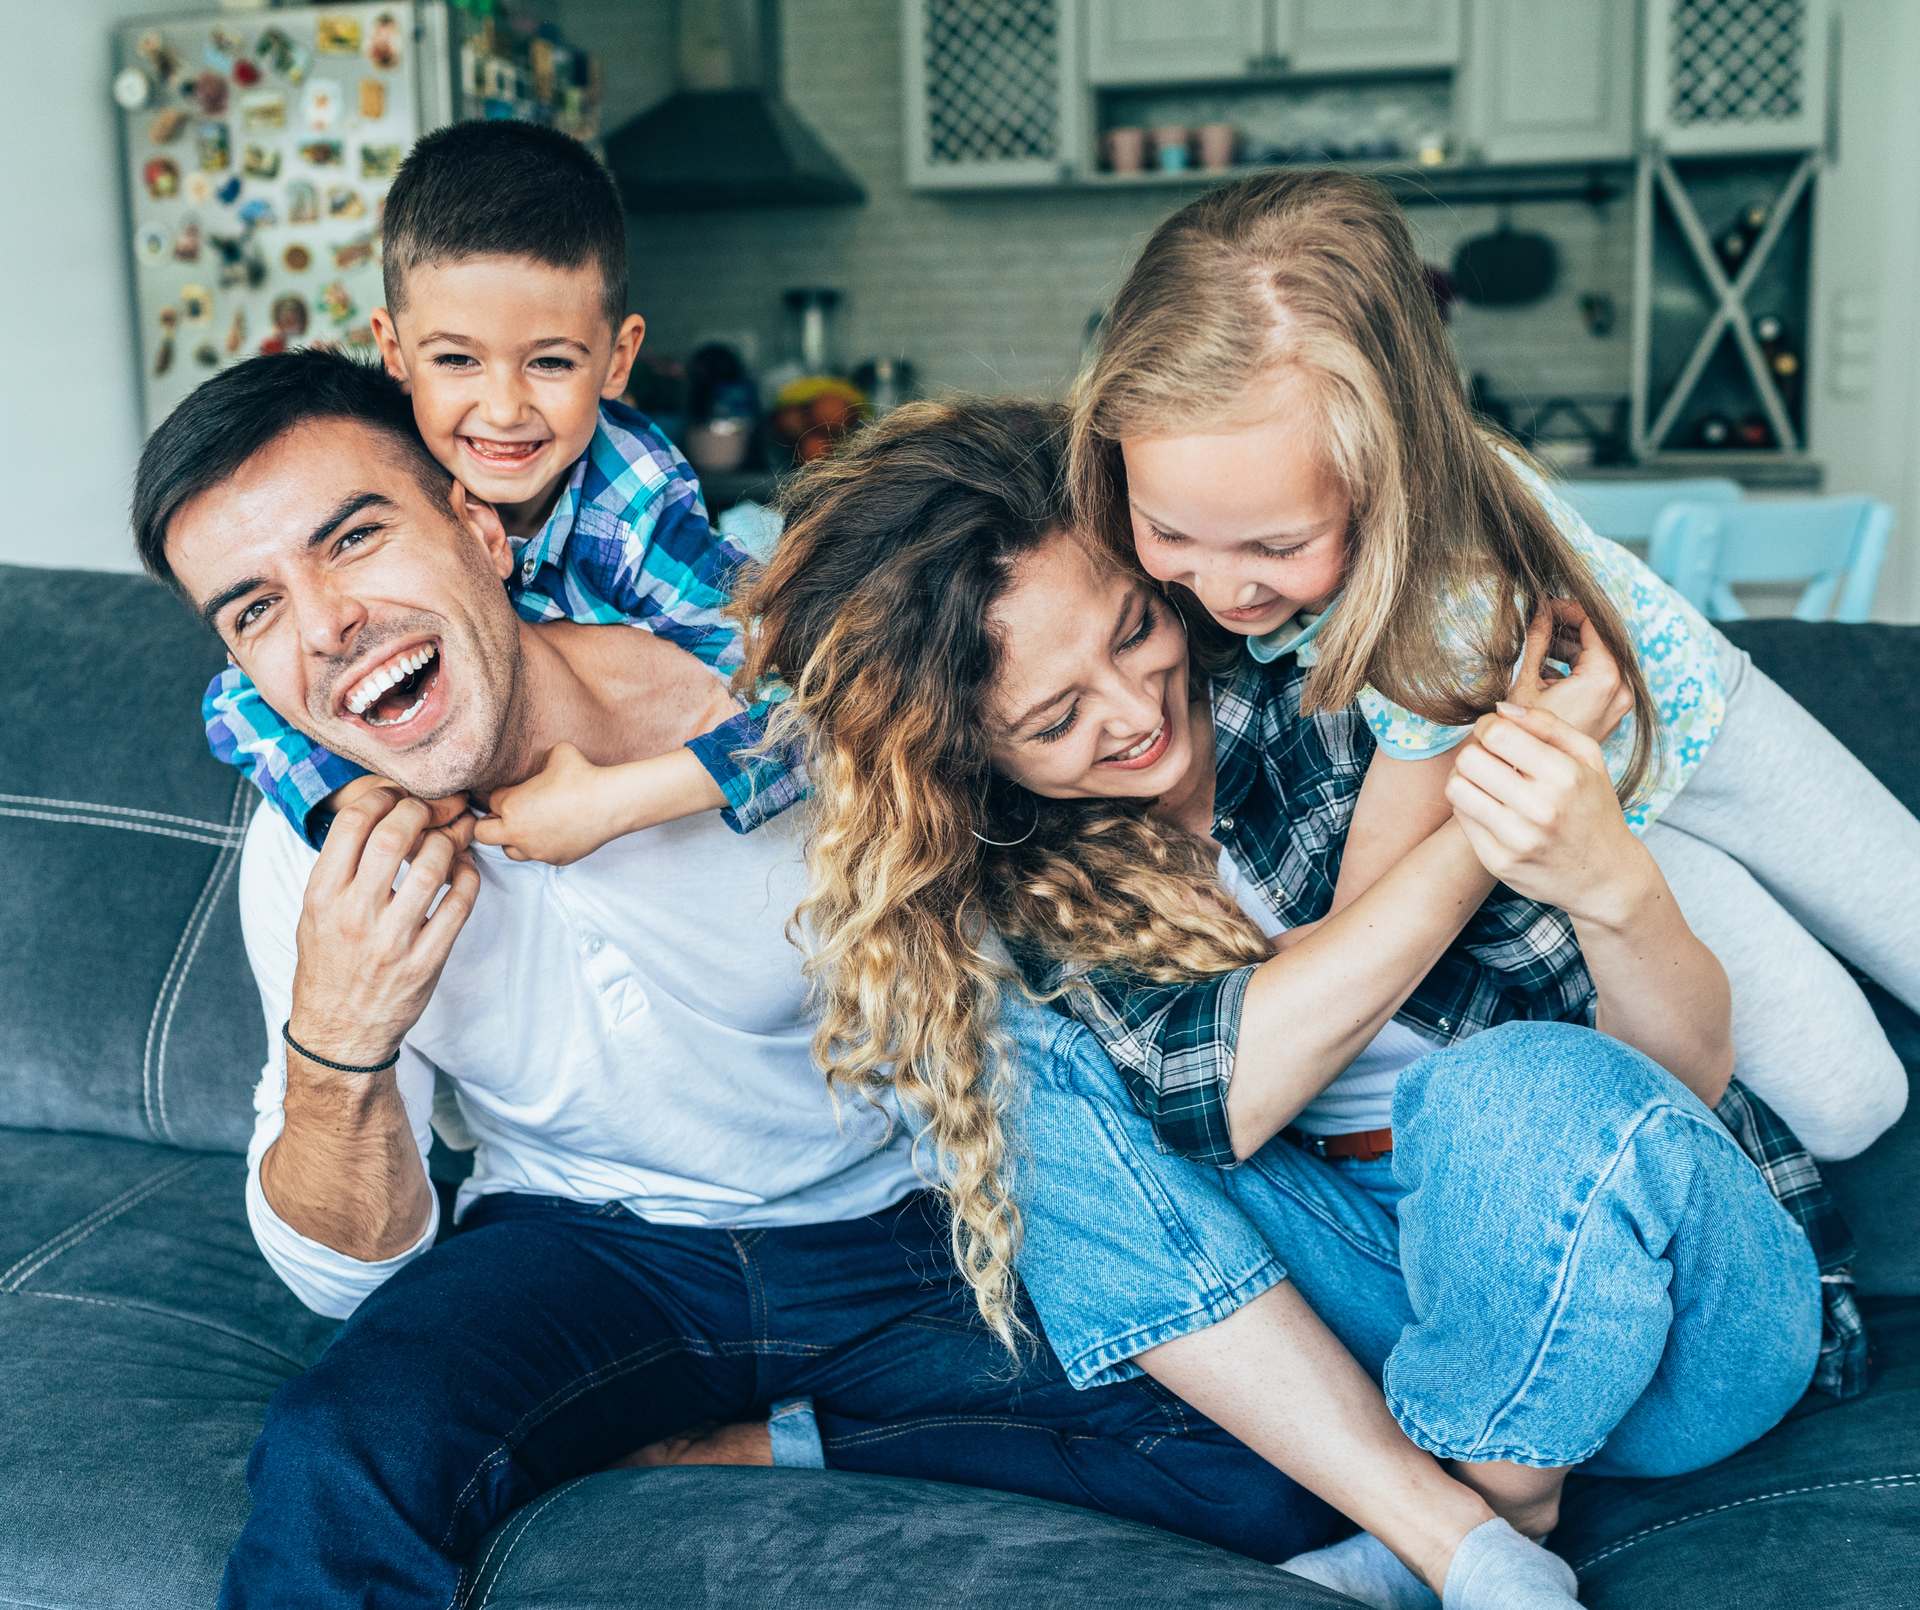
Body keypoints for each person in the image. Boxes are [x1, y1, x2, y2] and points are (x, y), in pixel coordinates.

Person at [133, 351, 1371, 1610]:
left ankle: (776, 1436)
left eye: (352, 540)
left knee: (1277, 1464)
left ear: (477, 526)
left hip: (906, 1224)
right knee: (343, 1447)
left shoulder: (775, 700)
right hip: (586, 1246)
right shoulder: (315, 842)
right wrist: (340, 1038)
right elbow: (342, 1277)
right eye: (255, 609)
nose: (325, 623)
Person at [724, 398, 1848, 1608]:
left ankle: (1489, 1509)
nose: (1133, 707)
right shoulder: (1036, 880)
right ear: (971, 759)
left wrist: (1549, 830)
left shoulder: (1355, 685)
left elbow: (1675, 1080)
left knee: (1502, 1090)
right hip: (1393, 1302)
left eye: (1136, 627)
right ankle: (1449, 1535)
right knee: (1003, 1070)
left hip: (1680, 1314)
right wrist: (1479, 826)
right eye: (1053, 719)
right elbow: (1226, 1099)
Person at [1069, 169, 1915, 1162]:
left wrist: (1279, 975)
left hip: (1705, 733)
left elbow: (1370, 902)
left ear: (1390, 471)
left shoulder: (1450, 581)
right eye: (1171, 532)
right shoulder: (1167, 552)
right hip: (1610, 807)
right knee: (1849, 1100)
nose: (1222, 589)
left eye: (1277, 547)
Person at [199, 118, 784, 853]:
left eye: (550, 363)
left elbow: (815, 712)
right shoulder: (382, 478)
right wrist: (357, 793)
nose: (504, 411)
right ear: (394, 351)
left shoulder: (634, 510)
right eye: (455, 360)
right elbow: (238, 700)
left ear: (617, 358)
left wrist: (610, 805)